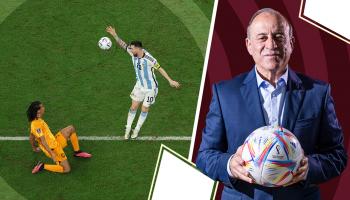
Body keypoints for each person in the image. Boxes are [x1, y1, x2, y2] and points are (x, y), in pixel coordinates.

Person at [196, 8, 347, 200]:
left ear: (291, 43)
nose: (271, 44)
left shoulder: (317, 93)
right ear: (249, 45)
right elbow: (205, 155)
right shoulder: (225, 94)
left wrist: (310, 168)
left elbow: (337, 155)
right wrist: (229, 165)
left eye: (278, 36)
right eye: (262, 37)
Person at [106, 26, 181, 139]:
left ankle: (136, 130)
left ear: (138, 49)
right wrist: (114, 35)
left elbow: (160, 68)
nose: (130, 49)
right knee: (133, 107)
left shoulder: (150, 59)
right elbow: (122, 44)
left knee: (144, 108)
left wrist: (170, 80)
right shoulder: (133, 53)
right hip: (139, 85)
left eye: (132, 48)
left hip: (151, 88)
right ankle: (128, 128)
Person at [28, 101, 92, 174]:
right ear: (38, 111)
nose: (43, 107)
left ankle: (77, 152)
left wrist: (34, 148)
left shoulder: (37, 120)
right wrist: (52, 153)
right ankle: (42, 166)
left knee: (71, 128)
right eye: (42, 106)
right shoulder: (36, 125)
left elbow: (31, 136)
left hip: (54, 141)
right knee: (66, 169)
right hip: (53, 148)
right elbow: (43, 141)